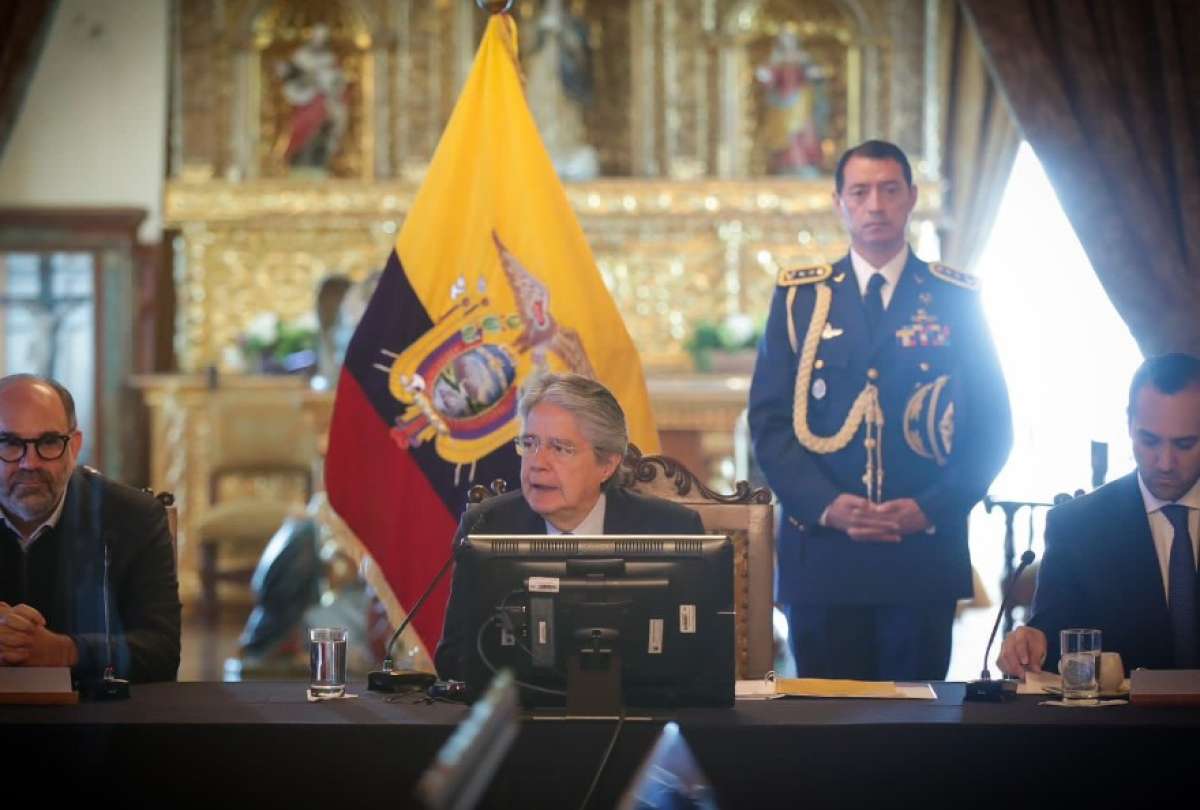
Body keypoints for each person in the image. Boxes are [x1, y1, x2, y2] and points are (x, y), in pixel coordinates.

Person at [748, 140, 1012, 681]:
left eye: (890, 190)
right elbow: (770, 422)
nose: (875, 205)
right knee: (826, 735)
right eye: (860, 192)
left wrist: (930, 508)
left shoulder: (953, 298)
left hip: (919, 555)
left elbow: (991, 427)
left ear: (912, 198)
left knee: (915, 738)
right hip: (824, 555)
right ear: (838, 202)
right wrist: (825, 505)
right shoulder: (802, 299)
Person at [434, 372, 703, 681]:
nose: (538, 462)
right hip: (520, 719)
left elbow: (696, 660)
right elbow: (454, 660)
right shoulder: (487, 525)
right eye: (530, 443)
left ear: (607, 464)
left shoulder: (670, 529)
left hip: (639, 719)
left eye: (560, 448)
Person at [999, 353, 1200, 677]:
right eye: (1149, 441)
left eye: (1185, 444)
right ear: (1129, 424)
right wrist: (1028, 643)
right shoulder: (1078, 526)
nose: (1165, 462)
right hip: (1120, 724)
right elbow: (1050, 635)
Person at [0, 374, 180, 683]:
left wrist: (64, 651)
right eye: (9, 444)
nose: (30, 463)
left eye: (48, 442)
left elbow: (161, 651)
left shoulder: (134, 517)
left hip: (95, 721)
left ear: (75, 446)